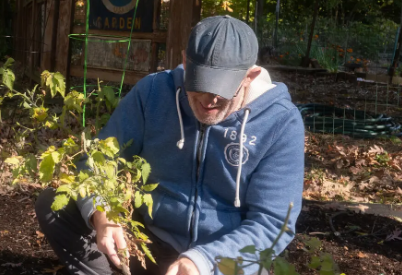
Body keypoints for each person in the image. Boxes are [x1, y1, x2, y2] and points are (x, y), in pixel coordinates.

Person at [36, 15, 305, 275]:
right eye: (200, 84)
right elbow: (97, 160)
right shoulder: (154, 92)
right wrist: (102, 212)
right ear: (185, 62)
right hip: (149, 241)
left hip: (221, 256)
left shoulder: (280, 121)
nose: (209, 100)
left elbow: (272, 223)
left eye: (222, 89)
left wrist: (203, 261)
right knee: (54, 206)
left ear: (250, 76)